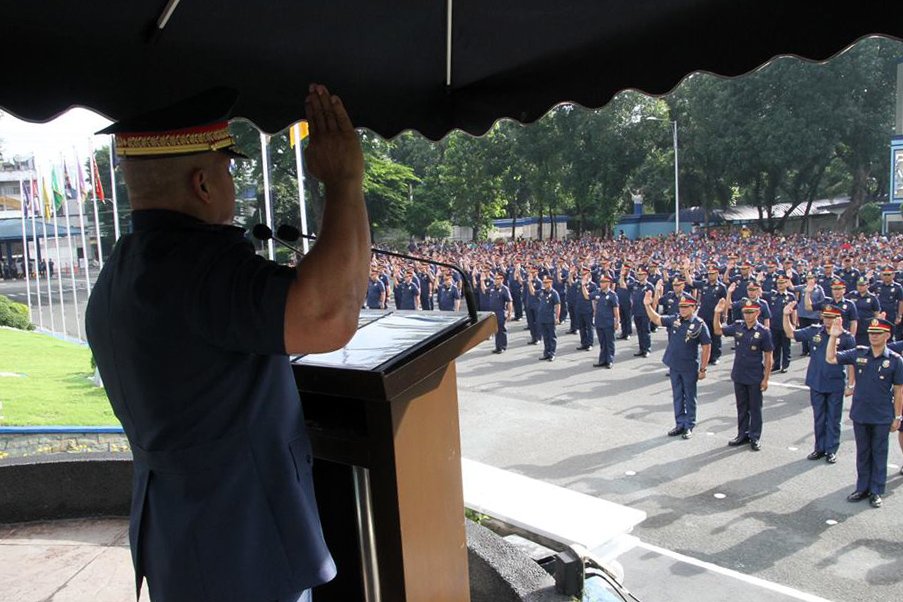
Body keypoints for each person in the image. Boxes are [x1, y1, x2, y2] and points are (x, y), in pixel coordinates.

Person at [85, 84, 371, 601]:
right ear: (202, 184)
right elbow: (330, 316)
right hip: (240, 546)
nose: (231, 184)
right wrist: (345, 181)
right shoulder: (200, 267)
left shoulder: (124, 267)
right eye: (228, 170)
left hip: (183, 535)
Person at [827, 318, 903, 508]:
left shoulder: (895, 360)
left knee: (879, 453)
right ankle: (862, 488)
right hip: (861, 413)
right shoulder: (859, 352)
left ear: (887, 336)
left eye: (877, 333)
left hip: (882, 415)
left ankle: (876, 490)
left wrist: (897, 417)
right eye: (871, 333)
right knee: (863, 453)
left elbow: (899, 390)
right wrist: (833, 337)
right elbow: (831, 358)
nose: (873, 336)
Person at [783, 302, 855, 464]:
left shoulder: (846, 337)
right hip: (816, 381)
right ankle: (819, 448)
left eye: (832, 317)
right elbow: (790, 333)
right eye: (826, 317)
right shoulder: (814, 331)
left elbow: (852, 363)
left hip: (835, 383)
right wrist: (786, 315)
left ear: (838, 318)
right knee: (819, 418)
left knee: (833, 419)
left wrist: (851, 384)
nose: (828, 320)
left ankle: (831, 450)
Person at [644, 291, 711, 439]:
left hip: (689, 366)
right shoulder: (675, 319)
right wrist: (647, 305)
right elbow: (657, 319)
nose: (682, 309)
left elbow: (706, 346)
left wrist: (703, 369)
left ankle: (689, 425)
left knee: (689, 397)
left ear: (693, 307)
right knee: (678, 396)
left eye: (686, 307)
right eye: (681, 306)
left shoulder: (699, 324)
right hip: (674, 365)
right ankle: (680, 423)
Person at [714, 298, 774, 451]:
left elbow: (768, 357)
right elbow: (718, 330)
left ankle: (755, 436)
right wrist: (717, 313)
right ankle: (742, 434)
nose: (748, 315)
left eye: (751, 312)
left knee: (755, 408)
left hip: (754, 375)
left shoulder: (763, 332)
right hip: (739, 374)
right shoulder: (738, 326)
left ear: (758, 312)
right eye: (745, 312)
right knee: (741, 407)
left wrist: (766, 379)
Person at [590, 274, 620, 368]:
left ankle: (610, 360)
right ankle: (602, 360)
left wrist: (617, 321)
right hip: (599, 321)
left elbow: (616, 309)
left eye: (603, 282)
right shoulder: (598, 293)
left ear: (608, 283)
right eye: (600, 282)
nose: (601, 284)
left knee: (609, 342)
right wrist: (583, 285)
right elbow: (587, 297)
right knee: (602, 342)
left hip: (608, 322)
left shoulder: (612, 295)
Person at [536, 274, 561, 361]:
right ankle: (546, 353)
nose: (544, 284)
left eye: (546, 282)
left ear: (551, 283)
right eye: (544, 282)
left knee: (552, 337)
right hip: (542, 317)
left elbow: (558, 305)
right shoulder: (542, 292)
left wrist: (557, 317)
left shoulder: (554, 293)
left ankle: (552, 353)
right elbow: (533, 292)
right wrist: (530, 282)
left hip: (550, 317)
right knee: (545, 337)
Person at [488, 271, 513, 353]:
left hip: (500, 311)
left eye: (497, 278)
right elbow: (485, 291)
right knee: (496, 330)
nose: (495, 280)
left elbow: (509, 301)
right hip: (493, 312)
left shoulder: (505, 289)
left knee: (501, 329)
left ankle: (502, 346)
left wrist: (509, 313)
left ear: (502, 279)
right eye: (494, 278)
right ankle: (498, 347)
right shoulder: (492, 287)